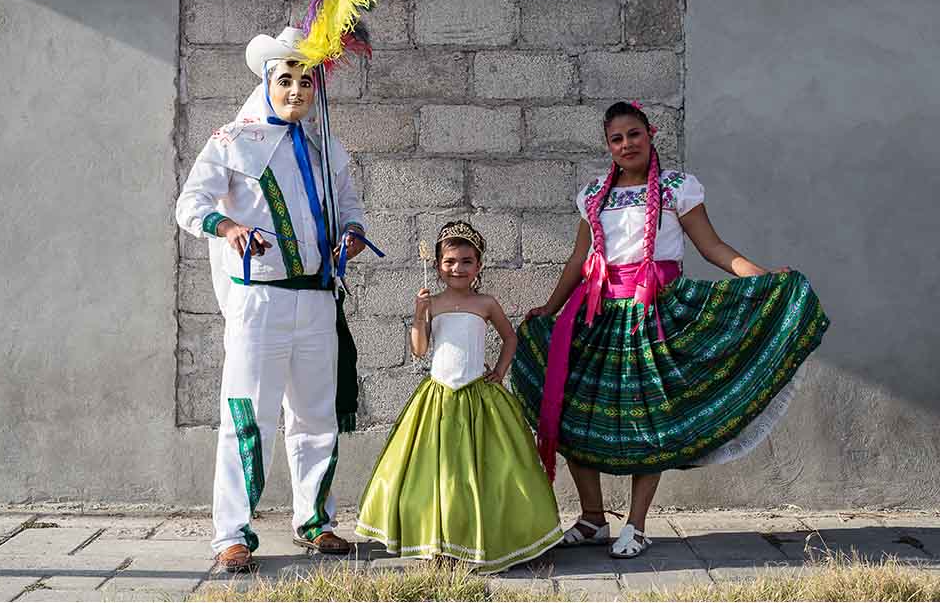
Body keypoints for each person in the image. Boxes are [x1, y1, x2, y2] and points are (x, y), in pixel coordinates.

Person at [512, 101, 829, 558]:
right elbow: (579, 261)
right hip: (597, 315)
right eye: (617, 138)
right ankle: (592, 517)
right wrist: (551, 306)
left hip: (656, 314)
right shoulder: (594, 194)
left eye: (633, 134)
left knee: (649, 419)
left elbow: (713, 247)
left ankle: (637, 524)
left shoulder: (677, 188)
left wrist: (762, 277)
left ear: (650, 134)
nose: (626, 144)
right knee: (574, 411)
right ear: (608, 144)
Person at [176, 27, 369, 571]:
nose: (296, 90)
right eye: (286, 79)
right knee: (247, 415)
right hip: (259, 301)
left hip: (317, 299)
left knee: (316, 415)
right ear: (267, 82)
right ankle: (231, 533)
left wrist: (352, 230)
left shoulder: (326, 145)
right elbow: (190, 204)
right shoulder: (232, 141)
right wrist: (226, 225)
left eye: (306, 81)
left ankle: (316, 521)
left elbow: (350, 203)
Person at [355, 221, 564, 573]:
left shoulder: (485, 303)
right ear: (438, 265)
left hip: (479, 397)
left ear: (478, 266)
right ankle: (438, 540)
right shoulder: (431, 303)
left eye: (467, 261)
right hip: (439, 398)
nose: (458, 268)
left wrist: (499, 372)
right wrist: (419, 315)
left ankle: (488, 538)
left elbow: (510, 339)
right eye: (450, 261)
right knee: (439, 472)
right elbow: (420, 351)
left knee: (489, 469)